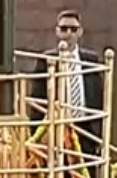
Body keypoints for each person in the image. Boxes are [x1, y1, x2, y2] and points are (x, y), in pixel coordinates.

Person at [28, 9, 105, 161]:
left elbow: (98, 97)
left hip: (85, 130)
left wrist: (99, 135)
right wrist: (36, 135)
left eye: (73, 29)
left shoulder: (91, 60)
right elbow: (37, 99)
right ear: (57, 32)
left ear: (80, 32)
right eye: (64, 29)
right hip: (56, 131)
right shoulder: (46, 60)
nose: (68, 33)